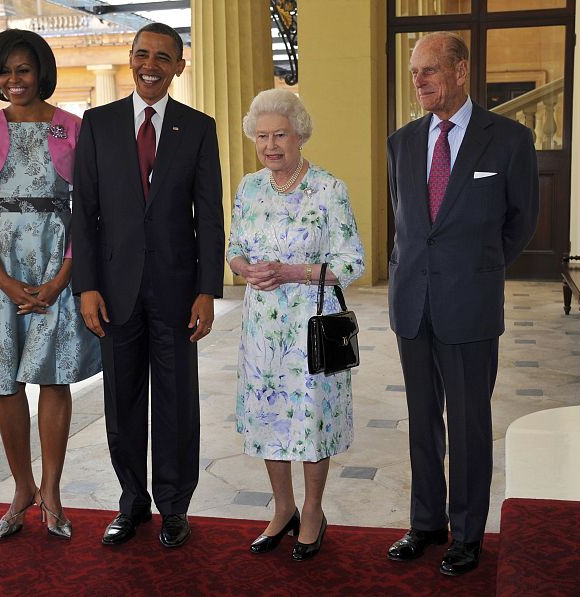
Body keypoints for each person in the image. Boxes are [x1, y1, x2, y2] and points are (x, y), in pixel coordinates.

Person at [0, 29, 101, 540]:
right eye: (4, 71)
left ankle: (51, 491)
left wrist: (62, 277)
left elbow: (88, 211)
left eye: (23, 69)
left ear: (41, 71)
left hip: (57, 267)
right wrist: (3, 280)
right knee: (6, 382)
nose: (14, 80)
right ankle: (22, 488)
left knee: (53, 377)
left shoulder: (74, 128)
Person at [386, 32, 539, 576]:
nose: (419, 80)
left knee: (469, 424)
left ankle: (467, 533)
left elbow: (521, 222)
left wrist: (477, 269)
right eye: (414, 72)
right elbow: (407, 223)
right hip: (412, 304)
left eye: (428, 70)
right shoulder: (402, 143)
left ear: (459, 71)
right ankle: (426, 523)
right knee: (421, 420)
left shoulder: (509, 140)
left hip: (470, 305)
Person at [72, 23, 224, 549]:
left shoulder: (198, 128)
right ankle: (132, 501)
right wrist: (87, 286)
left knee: (177, 402)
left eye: (163, 56)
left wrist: (207, 290)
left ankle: (174, 506)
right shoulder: (98, 124)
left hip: (178, 292)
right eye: (142, 54)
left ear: (179, 66)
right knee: (123, 401)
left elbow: (209, 215)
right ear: (130, 58)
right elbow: (84, 212)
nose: (150, 65)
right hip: (114, 292)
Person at [227, 89, 365, 561]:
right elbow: (234, 249)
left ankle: (312, 511)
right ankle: (282, 507)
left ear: (300, 135)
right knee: (270, 417)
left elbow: (351, 262)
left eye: (280, 135)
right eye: (262, 136)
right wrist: (245, 269)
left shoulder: (329, 189)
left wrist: (292, 272)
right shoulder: (249, 188)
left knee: (311, 419)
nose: (271, 145)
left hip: (311, 325)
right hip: (261, 329)